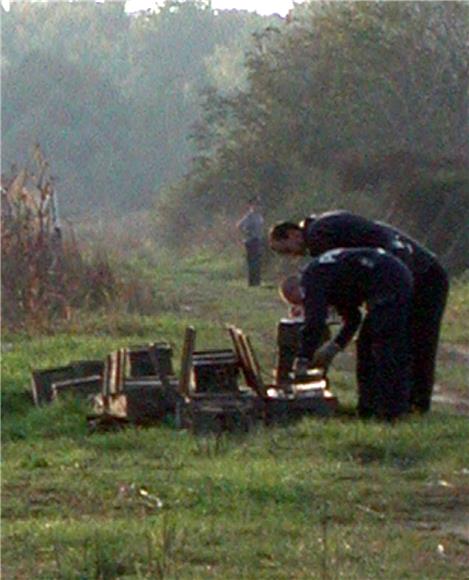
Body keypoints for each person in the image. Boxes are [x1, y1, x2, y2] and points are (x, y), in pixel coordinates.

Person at [270, 210, 449, 413]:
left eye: (286, 250)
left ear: (293, 234)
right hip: (397, 273)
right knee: (375, 340)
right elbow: (352, 295)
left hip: (422, 274)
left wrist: (304, 356)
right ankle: (391, 404)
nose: (292, 257)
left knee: (411, 340)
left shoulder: (320, 236)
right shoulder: (324, 234)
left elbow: (321, 313)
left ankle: (405, 405)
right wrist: (334, 346)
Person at [279, 247, 414, 421]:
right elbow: (353, 318)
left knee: (382, 346)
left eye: (301, 302)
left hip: (388, 279)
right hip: (389, 275)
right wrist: (335, 346)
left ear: (298, 289)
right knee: (365, 346)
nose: (305, 305)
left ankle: (391, 411)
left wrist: (303, 357)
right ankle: (368, 409)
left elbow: (316, 321)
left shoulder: (312, 280)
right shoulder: (331, 280)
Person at [237, 200, 264, 287]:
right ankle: (252, 282)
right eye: (255, 205)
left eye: (258, 205)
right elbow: (240, 225)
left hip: (258, 240)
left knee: (257, 261)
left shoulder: (259, 216)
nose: (257, 207)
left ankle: (257, 281)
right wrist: (247, 232)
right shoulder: (249, 216)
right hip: (251, 241)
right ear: (251, 206)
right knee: (252, 261)